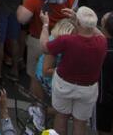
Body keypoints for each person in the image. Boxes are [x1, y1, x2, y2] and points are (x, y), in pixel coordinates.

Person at [46, 7, 108, 135]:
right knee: (80, 124)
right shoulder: (102, 42)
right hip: (87, 89)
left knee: (61, 117)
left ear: (78, 23)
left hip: (64, 85)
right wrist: (86, 23)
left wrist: (44, 26)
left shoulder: (67, 40)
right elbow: (99, 33)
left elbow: (45, 47)